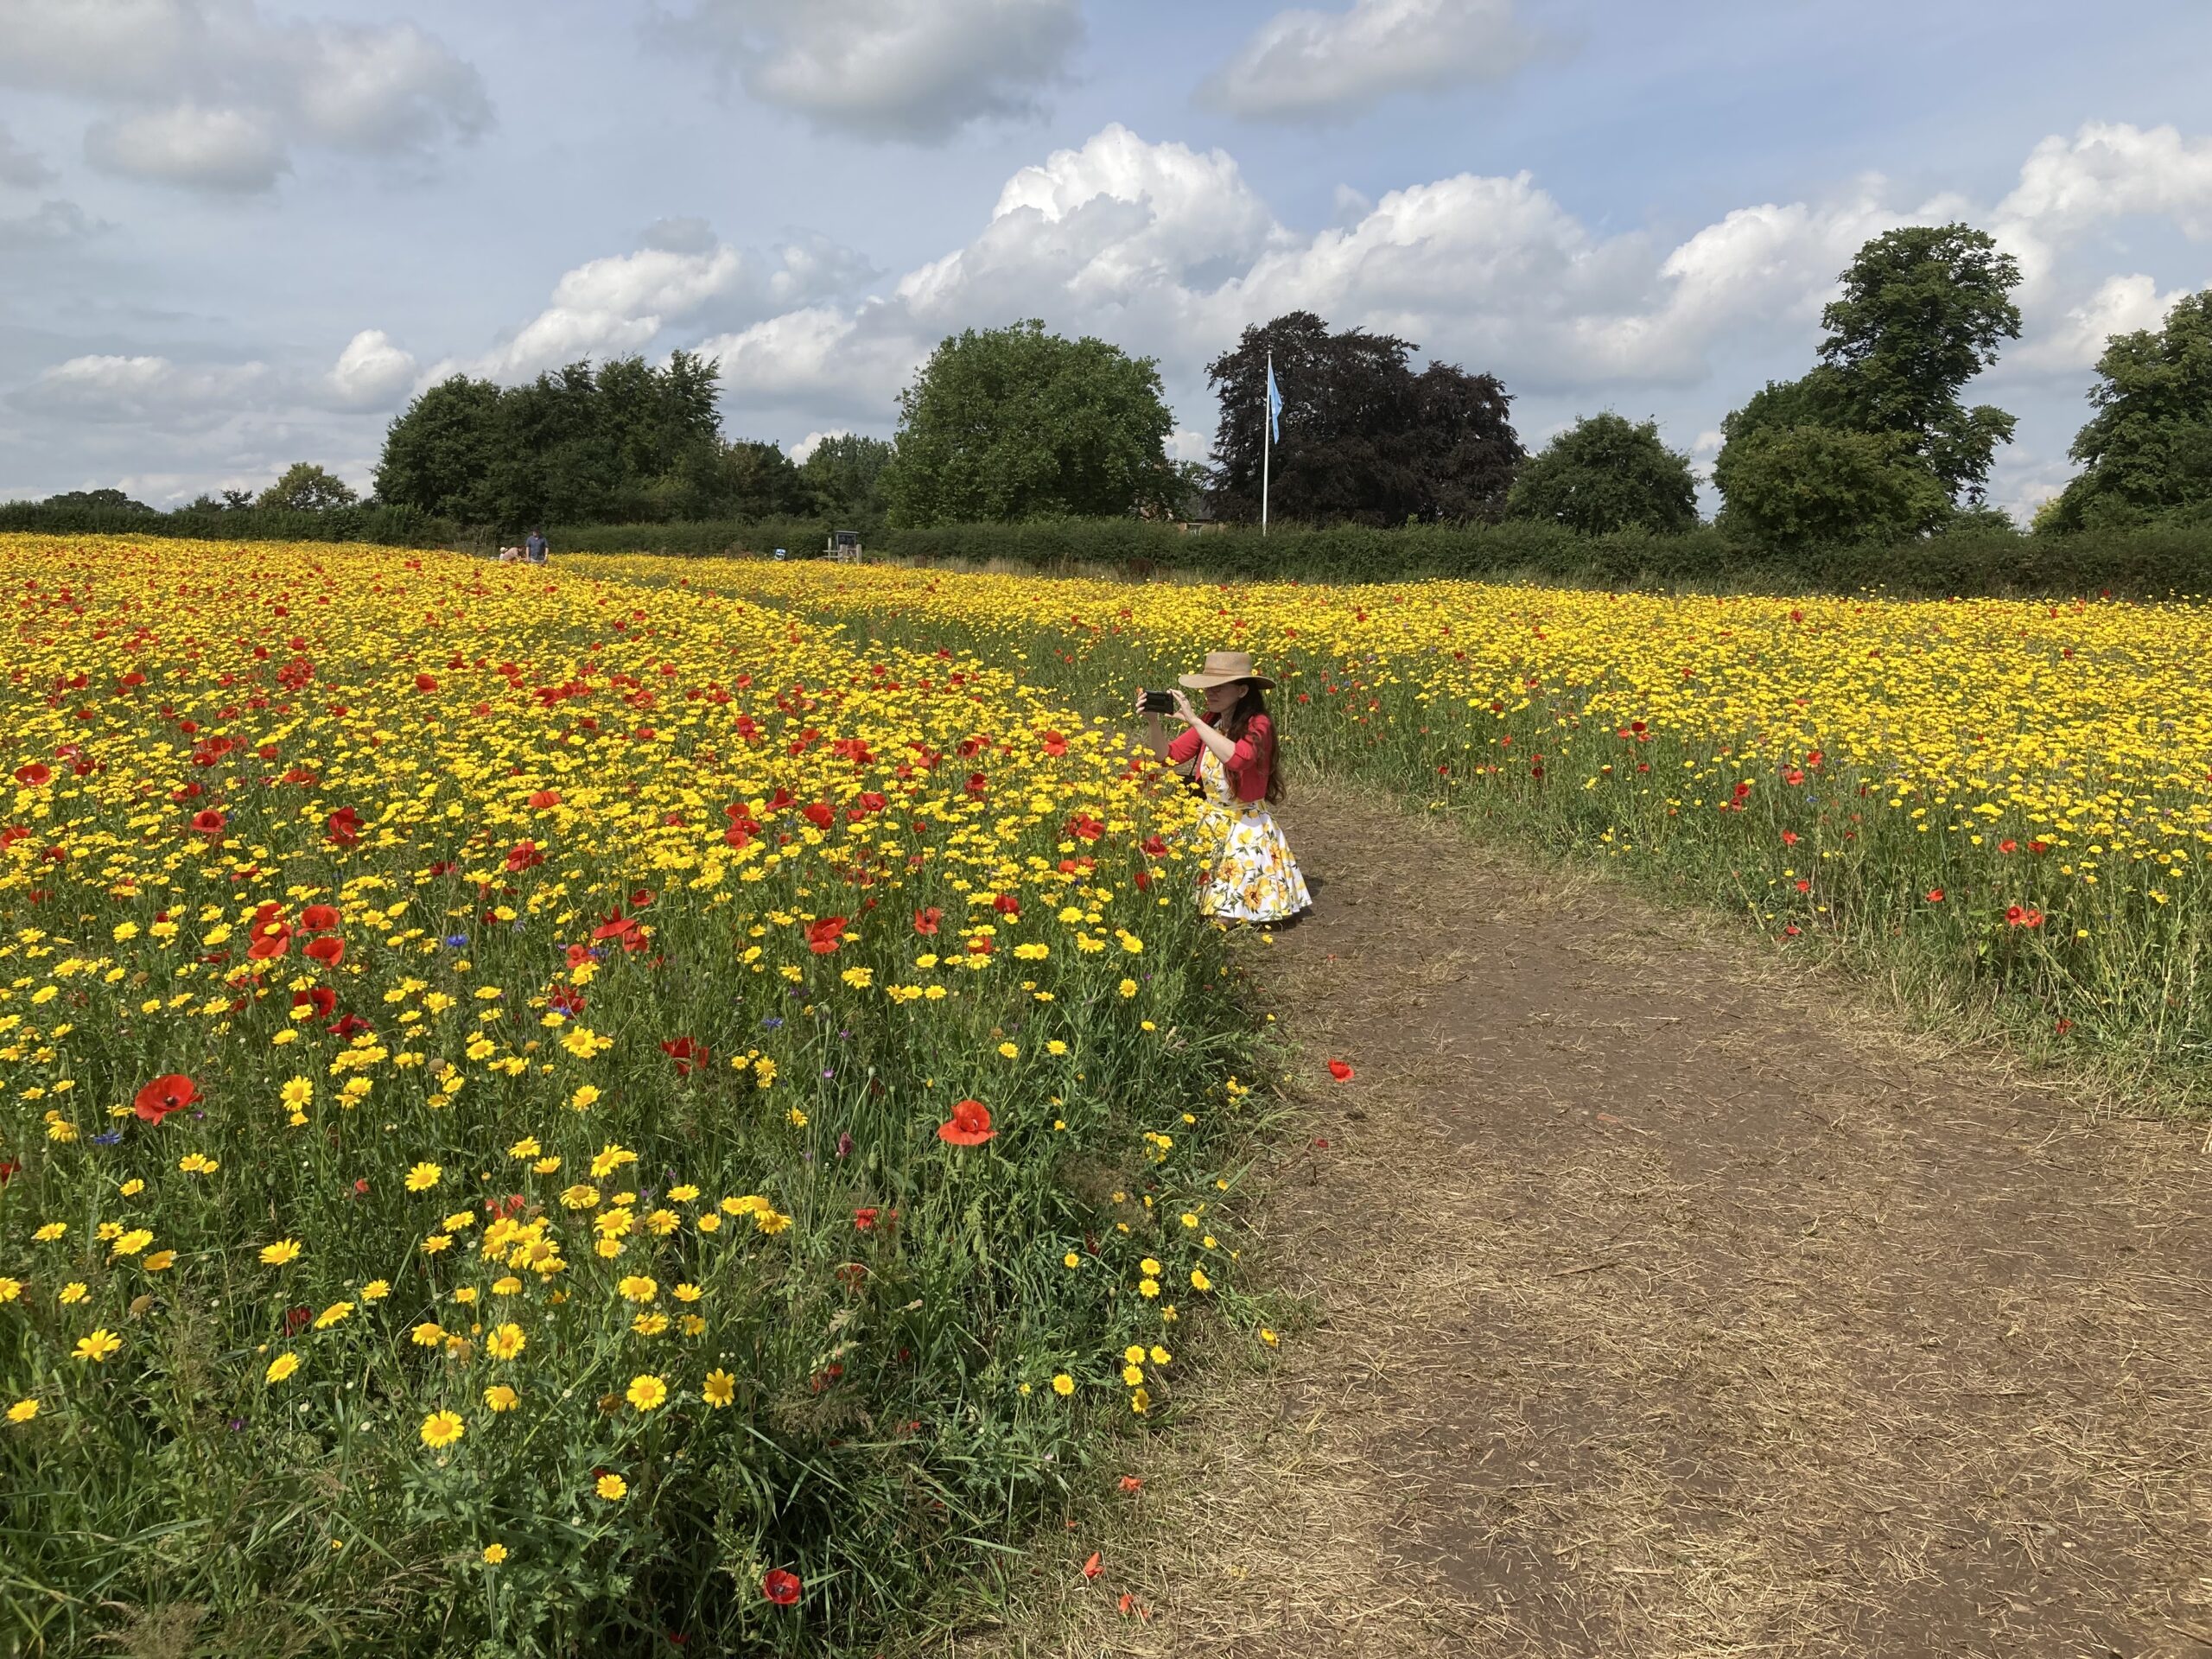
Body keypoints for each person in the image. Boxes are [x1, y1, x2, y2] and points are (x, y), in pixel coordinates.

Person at [1136, 649, 1311, 925]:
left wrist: (1194, 720)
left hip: (1245, 822)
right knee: (1187, 901)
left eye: (1218, 688)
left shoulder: (1259, 723)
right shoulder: (1212, 720)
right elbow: (1167, 756)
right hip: (1210, 817)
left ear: (1242, 691)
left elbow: (1239, 758)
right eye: (1208, 687)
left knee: (1226, 914)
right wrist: (1153, 722)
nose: (1210, 693)